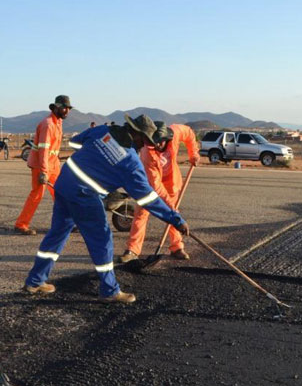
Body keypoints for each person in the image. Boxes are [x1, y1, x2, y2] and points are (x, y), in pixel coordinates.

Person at [23, 114, 190, 304]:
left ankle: (35, 281)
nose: (144, 146)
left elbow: (76, 144)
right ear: (137, 135)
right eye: (144, 141)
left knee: (57, 233)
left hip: (64, 184)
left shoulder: (102, 131)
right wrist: (175, 219)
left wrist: (98, 161)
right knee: (102, 239)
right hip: (84, 195)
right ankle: (109, 290)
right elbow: (148, 198)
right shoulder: (130, 162)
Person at [121, 122, 200, 263]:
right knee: (141, 214)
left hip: (172, 182)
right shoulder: (147, 152)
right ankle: (133, 250)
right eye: (153, 142)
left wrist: (193, 153)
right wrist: (171, 211)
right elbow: (156, 186)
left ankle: (176, 248)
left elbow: (189, 133)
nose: (156, 145)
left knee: (173, 213)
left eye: (159, 142)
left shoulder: (175, 132)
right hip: (151, 185)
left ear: (166, 138)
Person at [14, 95, 72, 235]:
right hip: (42, 165)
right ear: (57, 107)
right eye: (65, 108)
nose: (67, 111)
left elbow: (52, 149)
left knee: (61, 193)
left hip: (53, 164)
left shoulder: (58, 122)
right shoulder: (48, 124)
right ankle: (21, 224)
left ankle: (66, 223)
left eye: (69, 108)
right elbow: (43, 150)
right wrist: (44, 171)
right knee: (37, 195)